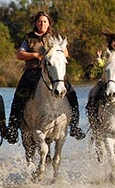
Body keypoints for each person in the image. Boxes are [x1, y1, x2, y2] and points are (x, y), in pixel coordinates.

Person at [5, 11, 84, 143]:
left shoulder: (54, 37)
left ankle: (74, 126)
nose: (42, 24)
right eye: (40, 21)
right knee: (19, 94)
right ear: (35, 23)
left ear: (49, 24)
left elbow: (65, 53)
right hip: (33, 71)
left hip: (53, 72)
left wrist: (58, 51)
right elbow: (20, 55)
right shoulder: (29, 38)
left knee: (72, 94)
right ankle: (13, 128)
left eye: (45, 22)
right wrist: (34, 55)